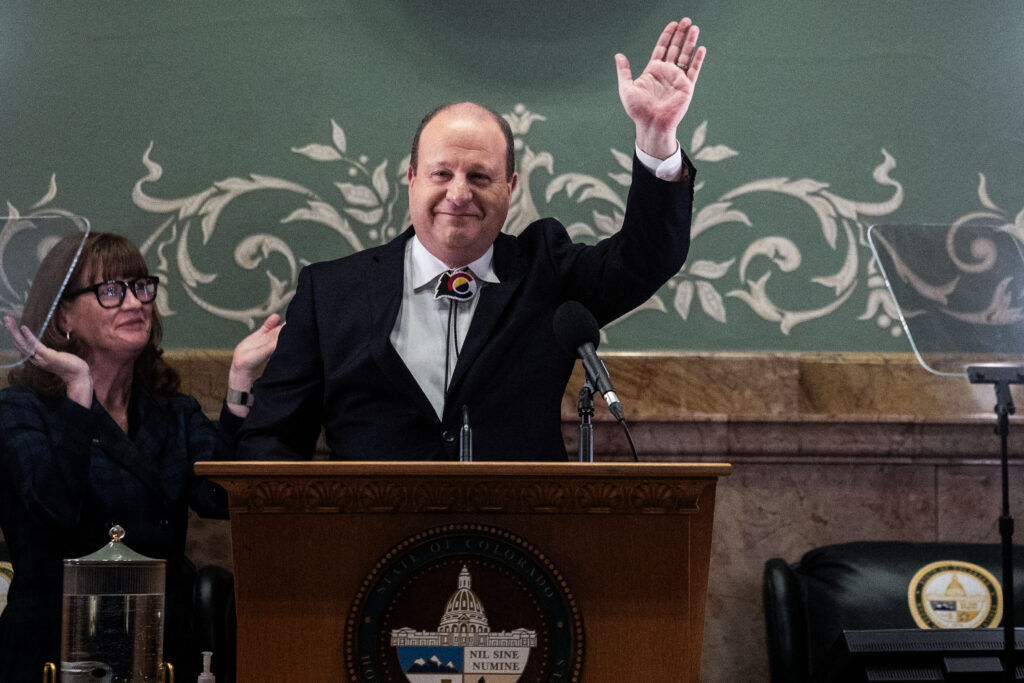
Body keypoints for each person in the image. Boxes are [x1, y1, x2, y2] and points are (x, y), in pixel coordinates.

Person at [237, 17, 706, 462]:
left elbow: (648, 256)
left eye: (480, 176)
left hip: (517, 539)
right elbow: (272, 444)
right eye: (442, 173)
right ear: (412, 178)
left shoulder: (548, 272)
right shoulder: (330, 294)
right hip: (375, 542)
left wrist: (656, 136)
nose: (458, 194)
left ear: (511, 188)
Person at [0, 232, 282, 681]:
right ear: (63, 316)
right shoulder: (21, 411)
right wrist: (79, 393)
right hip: (55, 651)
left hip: (161, 648)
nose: (134, 302)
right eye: (110, 291)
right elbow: (54, 511)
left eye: (140, 287)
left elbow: (222, 498)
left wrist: (240, 377)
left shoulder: (172, 411)